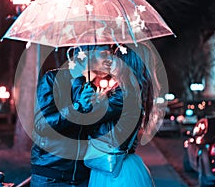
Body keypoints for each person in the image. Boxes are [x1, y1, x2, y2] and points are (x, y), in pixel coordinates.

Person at [30, 44, 122, 187]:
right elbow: (42, 126)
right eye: (104, 54)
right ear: (85, 53)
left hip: (82, 178)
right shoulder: (53, 80)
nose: (111, 59)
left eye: (112, 54)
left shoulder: (93, 89)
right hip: (51, 177)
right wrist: (77, 107)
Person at [87, 44, 155, 187]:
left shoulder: (125, 93)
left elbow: (90, 117)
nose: (112, 61)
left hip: (114, 169)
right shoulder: (131, 90)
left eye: (116, 57)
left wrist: (89, 96)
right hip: (123, 163)